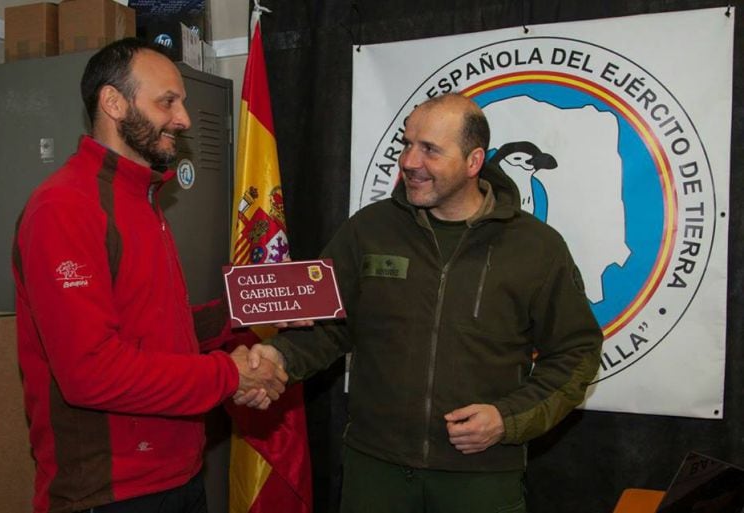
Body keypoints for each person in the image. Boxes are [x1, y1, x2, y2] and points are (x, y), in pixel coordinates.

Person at [249, 93, 604, 513]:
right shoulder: (369, 230)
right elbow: (328, 326)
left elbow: (576, 353)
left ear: (473, 162)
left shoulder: (537, 247)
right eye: (406, 144)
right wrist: (278, 358)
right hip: (375, 471)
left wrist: (508, 419)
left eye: (430, 149)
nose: (409, 161)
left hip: (479, 476)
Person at [12, 38, 287, 513]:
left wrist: (247, 309)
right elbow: (91, 372)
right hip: (109, 494)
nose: (182, 119)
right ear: (113, 103)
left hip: (178, 475)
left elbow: (154, 328)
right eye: (167, 101)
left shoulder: (143, 199)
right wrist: (229, 375)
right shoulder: (64, 208)